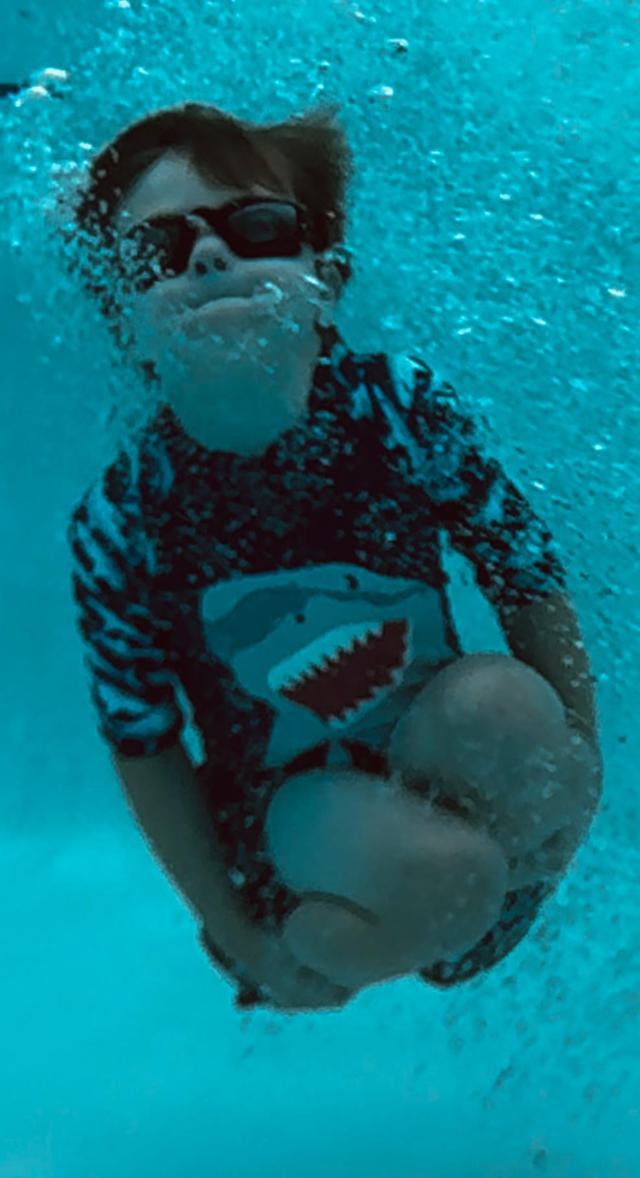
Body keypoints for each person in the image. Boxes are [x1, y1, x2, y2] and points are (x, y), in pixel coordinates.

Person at [63, 101, 602, 1012]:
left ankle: (466, 898)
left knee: (510, 713)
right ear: (126, 321)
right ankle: (349, 930)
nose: (208, 256)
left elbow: (526, 573)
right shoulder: (128, 516)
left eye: (259, 227)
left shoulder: (397, 407)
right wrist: (242, 934)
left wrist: (576, 783)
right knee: (448, 873)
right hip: (286, 819)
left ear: (329, 279)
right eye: (160, 250)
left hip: (428, 743)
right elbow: (143, 742)